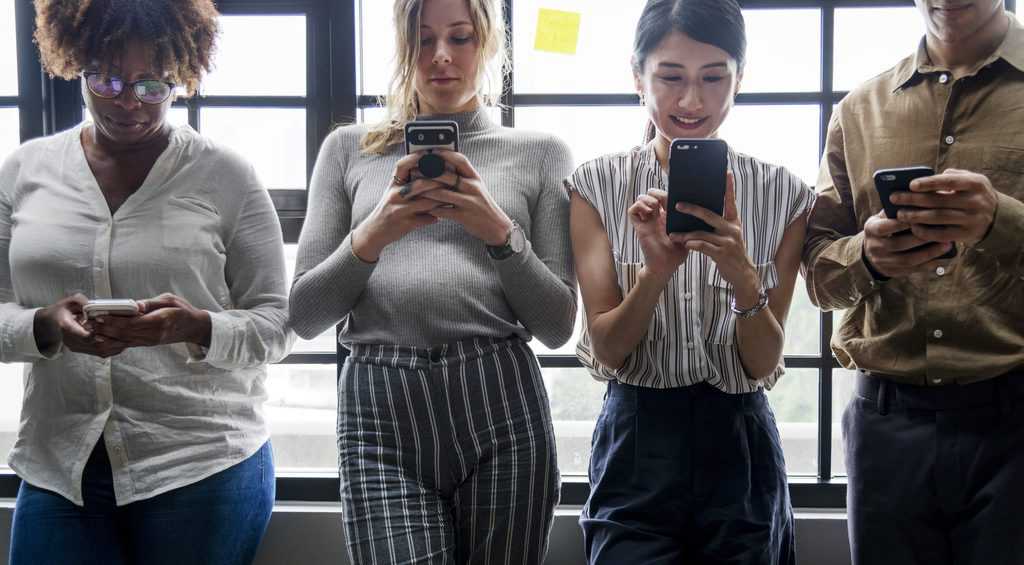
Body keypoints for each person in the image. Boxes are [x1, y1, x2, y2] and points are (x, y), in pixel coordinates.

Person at [1, 1, 294, 563]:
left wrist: (195, 327)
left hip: (201, 463)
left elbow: (277, 323)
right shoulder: (23, 171)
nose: (128, 101)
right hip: (60, 463)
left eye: (152, 84)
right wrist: (42, 325)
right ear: (75, 62)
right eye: (106, 79)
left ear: (181, 73)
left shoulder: (226, 174)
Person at [288, 0, 576, 562]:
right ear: (402, 46)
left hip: (500, 403)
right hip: (380, 411)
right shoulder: (348, 149)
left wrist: (498, 231)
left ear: (489, 45)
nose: (441, 56)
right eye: (423, 40)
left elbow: (558, 325)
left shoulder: (541, 154)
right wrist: (373, 234)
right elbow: (304, 314)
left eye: (461, 38)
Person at [568, 0, 814, 563]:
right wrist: (655, 274)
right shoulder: (596, 184)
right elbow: (607, 350)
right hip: (637, 431)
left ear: (739, 79)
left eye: (713, 78)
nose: (691, 101)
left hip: (740, 434)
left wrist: (743, 278)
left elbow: (764, 364)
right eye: (670, 77)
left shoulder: (786, 194)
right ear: (638, 76)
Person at [802, 1, 1024, 563]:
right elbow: (819, 277)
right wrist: (867, 256)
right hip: (885, 427)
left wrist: (1002, 222)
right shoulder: (858, 109)